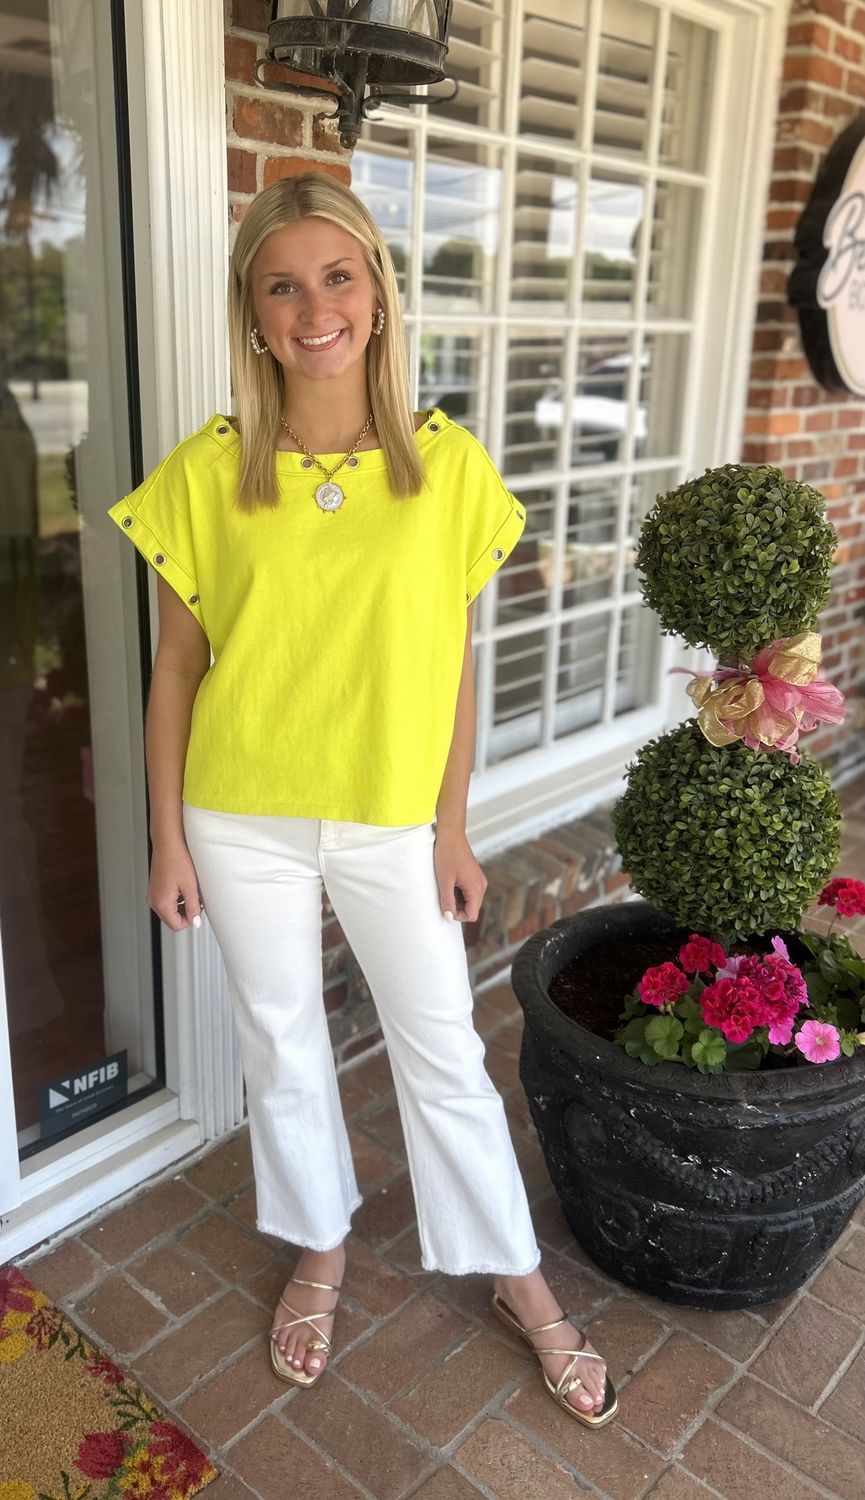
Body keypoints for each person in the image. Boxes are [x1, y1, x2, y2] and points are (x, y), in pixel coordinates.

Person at [107, 174, 616, 1427]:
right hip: (242, 816)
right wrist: (168, 835)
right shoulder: (208, 471)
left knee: (440, 1047)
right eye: (283, 284)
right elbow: (177, 668)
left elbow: (452, 669)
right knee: (283, 1045)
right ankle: (320, 1249)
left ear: (379, 298)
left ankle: (516, 1278)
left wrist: (453, 825)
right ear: (255, 313)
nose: (313, 306)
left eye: (338, 277)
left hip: (391, 816)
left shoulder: (442, 469)